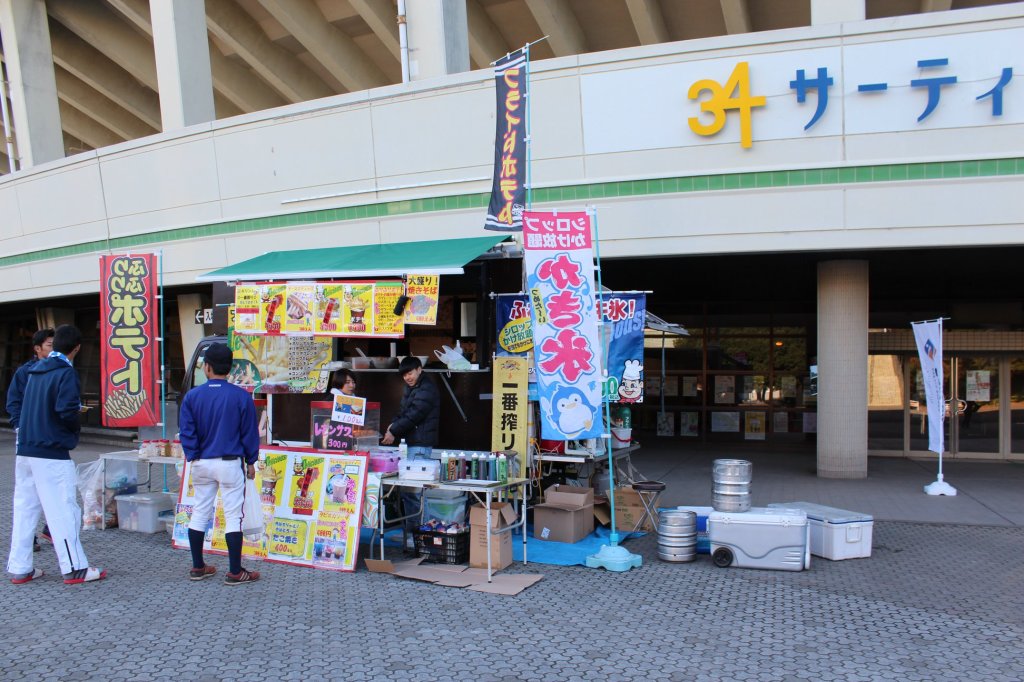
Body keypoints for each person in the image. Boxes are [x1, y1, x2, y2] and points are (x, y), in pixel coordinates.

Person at [7, 324, 106, 585]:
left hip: (25, 448)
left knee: (25, 509)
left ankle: (21, 568)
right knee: (63, 509)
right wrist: (74, 427)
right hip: (51, 450)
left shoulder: (33, 370)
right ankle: (74, 569)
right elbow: (66, 411)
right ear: (77, 348)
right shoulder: (65, 372)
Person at [179, 342, 261, 585]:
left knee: (199, 512)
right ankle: (235, 572)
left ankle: (198, 567)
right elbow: (249, 433)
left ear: (207, 367)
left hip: (201, 462)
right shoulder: (241, 396)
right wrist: (251, 461)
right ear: (231, 368)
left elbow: (186, 431)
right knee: (233, 516)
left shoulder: (192, 396)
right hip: (230, 464)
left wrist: (193, 455)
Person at [6, 328, 55, 552]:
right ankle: (30, 538)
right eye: (49, 345)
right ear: (37, 348)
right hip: (29, 438)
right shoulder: (25, 372)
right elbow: (13, 402)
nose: (53, 349)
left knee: (54, 487)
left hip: (51, 439)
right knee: (29, 490)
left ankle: (51, 530)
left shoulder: (60, 369)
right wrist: (20, 427)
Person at [381, 357, 440, 540]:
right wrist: (392, 426)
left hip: (420, 445)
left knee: (415, 493)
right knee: (409, 492)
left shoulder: (427, 389)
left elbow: (414, 415)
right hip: (412, 444)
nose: (407, 377)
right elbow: (403, 412)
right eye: (404, 375)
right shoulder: (412, 388)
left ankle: (421, 536)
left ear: (419, 369)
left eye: (410, 373)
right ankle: (413, 533)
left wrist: (393, 431)